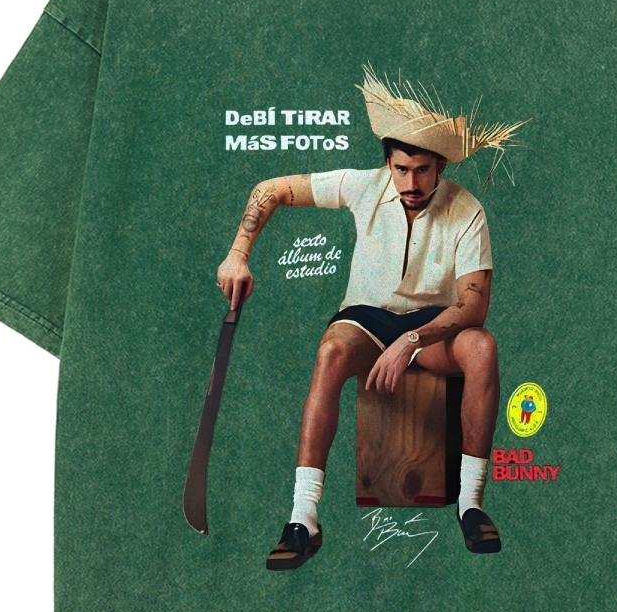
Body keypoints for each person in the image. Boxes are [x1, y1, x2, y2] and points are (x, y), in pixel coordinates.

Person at [217, 68, 525, 569]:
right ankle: (303, 517)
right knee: (330, 352)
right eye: (401, 169)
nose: (411, 182)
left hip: (432, 327)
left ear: (441, 165)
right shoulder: (362, 186)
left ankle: (471, 505)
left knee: (482, 347)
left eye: (422, 170)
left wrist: (411, 340)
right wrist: (238, 254)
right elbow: (268, 190)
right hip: (365, 318)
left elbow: (473, 306)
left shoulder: (467, 210)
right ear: (387, 162)